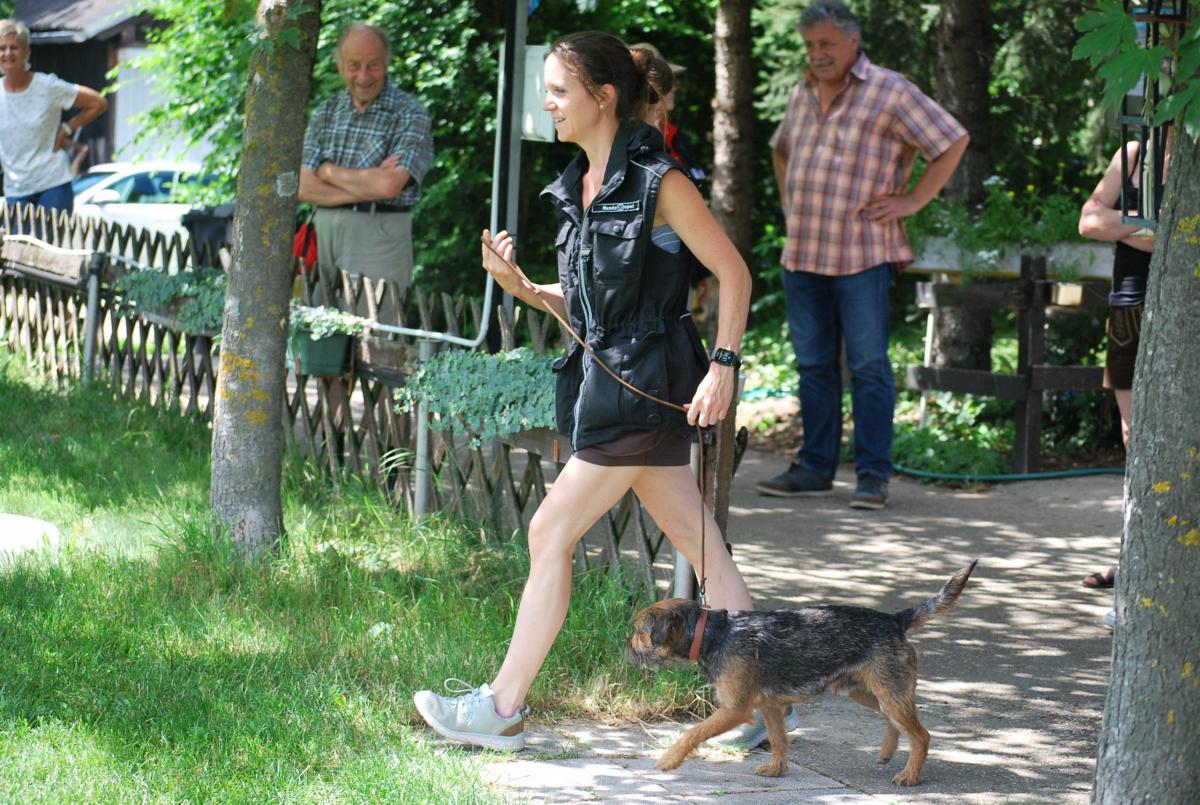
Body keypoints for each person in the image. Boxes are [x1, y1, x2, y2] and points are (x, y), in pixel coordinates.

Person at [413, 31, 755, 752]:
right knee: (700, 543)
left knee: (548, 530)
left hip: (646, 387)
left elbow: (733, 273)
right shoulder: (579, 183)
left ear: (603, 97)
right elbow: (590, 307)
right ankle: (751, 706)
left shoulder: (661, 181)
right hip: (607, 384)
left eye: (560, 90)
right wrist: (520, 287)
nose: (548, 103)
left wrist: (722, 365)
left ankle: (501, 707)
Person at [756, 1, 968, 510]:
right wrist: (789, 202)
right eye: (810, 45)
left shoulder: (890, 90)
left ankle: (873, 476)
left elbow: (952, 140)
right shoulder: (802, 91)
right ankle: (814, 468)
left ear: (853, 41)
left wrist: (913, 200)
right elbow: (780, 149)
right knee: (813, 366)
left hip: (863, 253)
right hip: (803, 250)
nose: (817, 54)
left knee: (869, 366)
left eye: (826, 44)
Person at [1076, 128, 1171, 626]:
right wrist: (1153, 227)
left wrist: (1125, 226)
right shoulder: (1136, 153)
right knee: (1137, 439)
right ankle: (1134, 563)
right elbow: (1089, 220)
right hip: (1129, 308)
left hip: (1181, 304)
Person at [298, 23, 433, 301]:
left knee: (373, 326)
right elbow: (301, 186)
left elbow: (388, 186)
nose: (363, 75)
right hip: (323, 232)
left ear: (387, 64)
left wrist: (327, 171)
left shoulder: (410, 113)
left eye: (373, 65)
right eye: (354, 65)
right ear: (339, 66)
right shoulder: (326, 112)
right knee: (316, 323)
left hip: (379, 233)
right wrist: (367, 184)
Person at [0, 18, 107, 217]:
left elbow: (98, 103)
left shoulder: (47, 86)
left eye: (14, 47)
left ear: (26, 52)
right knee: (18, 239)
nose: (7, 53)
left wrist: (67, 128)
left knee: (51, 238)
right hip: (16, 189)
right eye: (2, 48)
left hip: (52, 184)